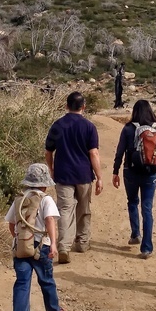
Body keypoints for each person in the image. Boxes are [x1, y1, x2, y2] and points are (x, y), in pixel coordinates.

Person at [4, 163, 64, 311]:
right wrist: (53, 243)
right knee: (46, 281)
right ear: (45, 183)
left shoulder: (20, 199)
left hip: (21, 248)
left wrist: (20, 240)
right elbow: (50, 221)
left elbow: (11, 224)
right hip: (41, 247)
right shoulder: (46, 199)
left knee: (22, 284)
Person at [44, 91, 104, 264]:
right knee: (84, 209)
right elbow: (93, 153)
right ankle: (83, 242)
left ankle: (63, 246)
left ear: (66, 106)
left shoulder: (58, 125)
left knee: (64, 211)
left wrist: (51, 169)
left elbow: (48, 151)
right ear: (83, 106)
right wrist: (99, 177)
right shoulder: (89, 127)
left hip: (63, 174)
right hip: (84, 174)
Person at [112, 99, 156, 258]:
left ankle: (135, 234)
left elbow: (120, 152)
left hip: (130, 171)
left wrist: (115, 172)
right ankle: (147, 248)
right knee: (147, 208)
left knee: (132, 202)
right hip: (151, 173)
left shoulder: (128, 128)